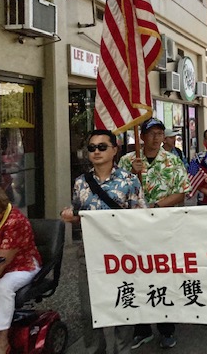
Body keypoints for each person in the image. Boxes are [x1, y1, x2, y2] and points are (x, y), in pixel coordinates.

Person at [61, 129, 145, 354]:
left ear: (114, 150)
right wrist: (70, 215)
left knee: (123, 303)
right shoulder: (81, 183)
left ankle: (122, 349)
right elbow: (78, 213)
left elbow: (140, 217)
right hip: (89, 252)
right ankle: (94, 350)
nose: (96, 152)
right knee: (89, 310)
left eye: (102, 147)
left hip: (122, 253)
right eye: (92, 148)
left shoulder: (129, 181)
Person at [118, 118, 191, 349]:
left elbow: (181, 192)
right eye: (151, 133)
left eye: (160, 133)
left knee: (163, 275)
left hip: (163, 227)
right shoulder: (127, 160)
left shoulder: (172, 160)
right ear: (141, 136)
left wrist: (155, 207)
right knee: (137, 275)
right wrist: (131, 172)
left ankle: (166, 328)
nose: (156, 138)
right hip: (134, 228)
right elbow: (116, 190)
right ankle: (142, 329)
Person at [0, 185, 42, 354]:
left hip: (21, 264)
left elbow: (0, 264)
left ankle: (2, 340)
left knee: (2, 289)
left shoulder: (15, 222)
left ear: (0, 210)